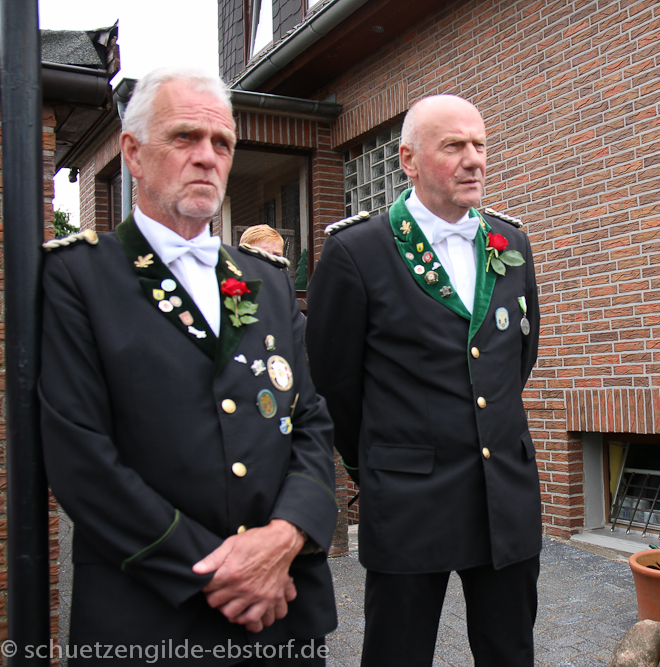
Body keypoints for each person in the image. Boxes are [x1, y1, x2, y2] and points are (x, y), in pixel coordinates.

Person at [39, 67, 339, 663]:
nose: (207, 156)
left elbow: (310, 421)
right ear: (133, 153)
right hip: (151, 615)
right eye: (185, 137)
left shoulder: (267, 281)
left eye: (222, 142)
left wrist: (286, 537)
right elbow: (81, 458)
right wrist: (221, 572)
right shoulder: (78, 277)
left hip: (281, 612)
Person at [305, 94, 541, 667]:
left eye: (479, 145)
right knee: (398, 654)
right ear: (408, 160)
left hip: (504, 494)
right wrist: (378, 464)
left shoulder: (511, 242)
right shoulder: (356, 251)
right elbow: (334, 385)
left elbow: (516, 358)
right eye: (454, 146)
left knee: (510, 653)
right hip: (410, 500)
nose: (473, 159)